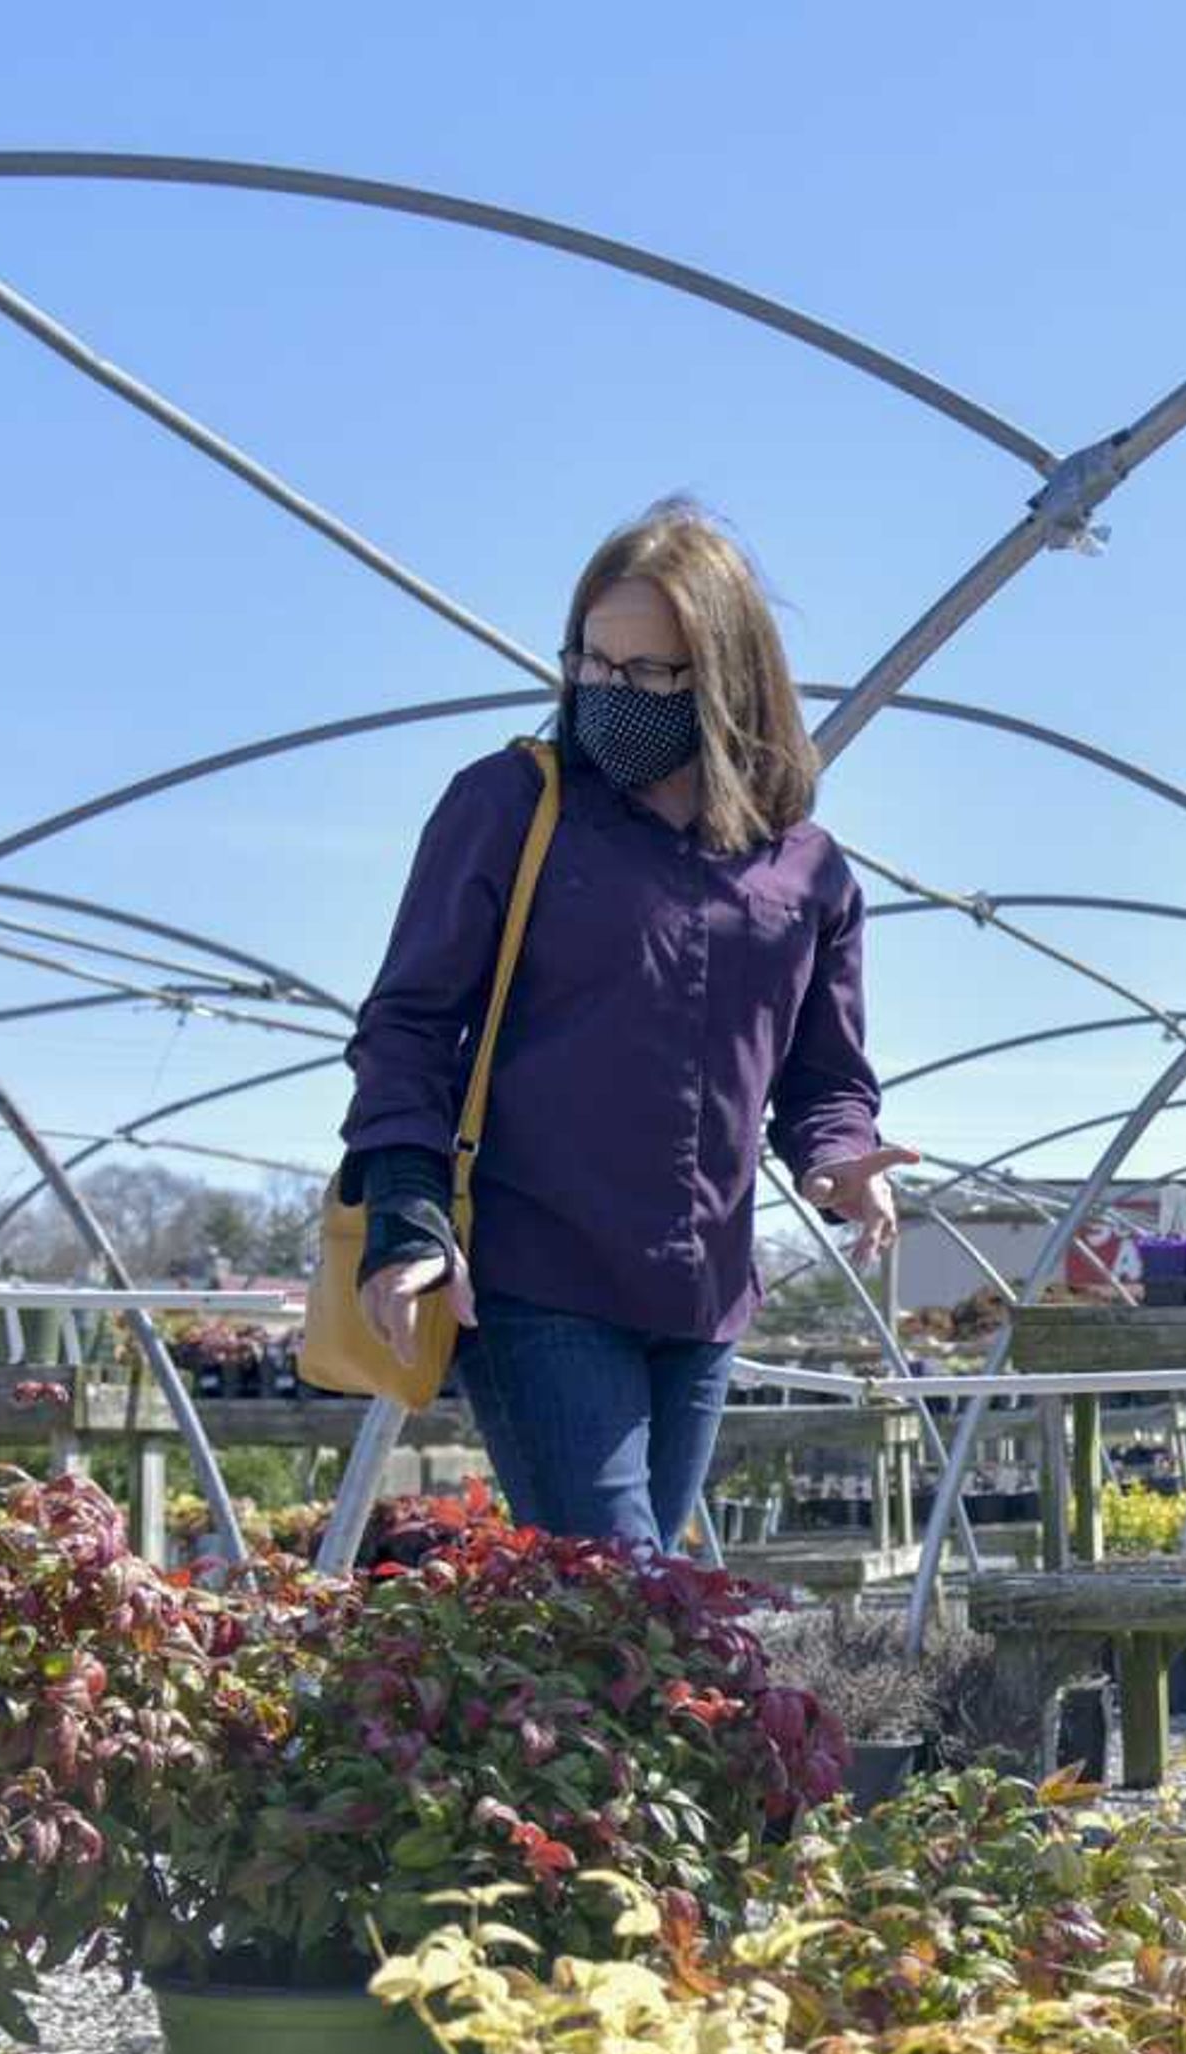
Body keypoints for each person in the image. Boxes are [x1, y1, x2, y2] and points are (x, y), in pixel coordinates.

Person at [338, 499, 914, 1549]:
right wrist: (407, 1211)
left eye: (647, 674)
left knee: (640, 1633)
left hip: (700, 1299)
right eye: (590, 663)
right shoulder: (513, 805)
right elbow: (408, 1026)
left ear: (728, 678)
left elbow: (824, 1073)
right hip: (534, 1275)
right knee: (625, 1587)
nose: (609, 693)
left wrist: (841, 1161)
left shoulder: (805, 870)